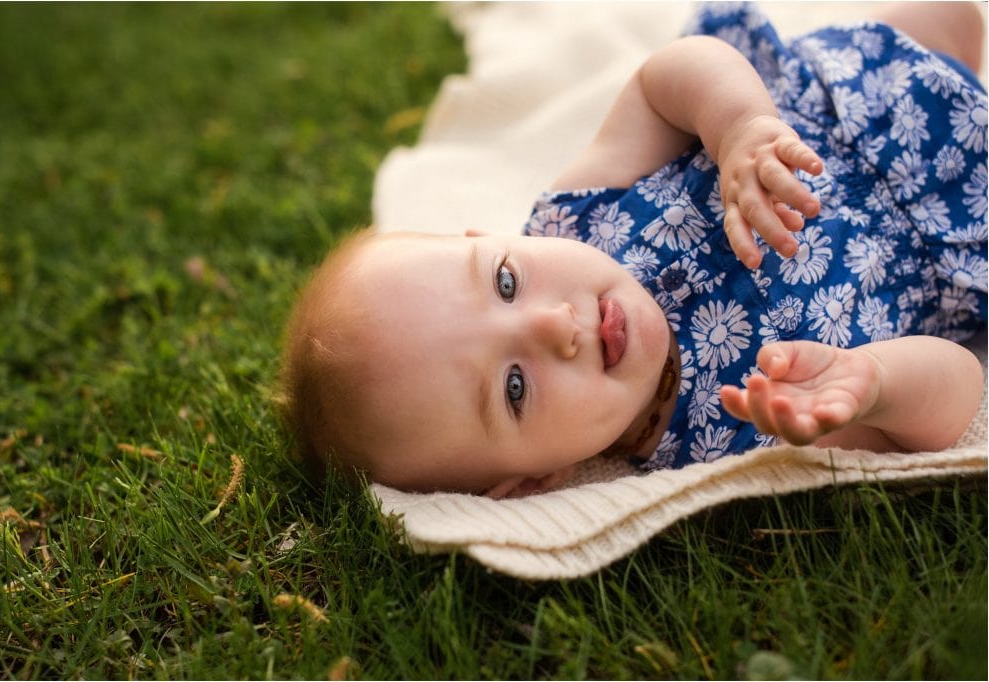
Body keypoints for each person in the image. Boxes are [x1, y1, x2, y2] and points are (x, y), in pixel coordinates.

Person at [280, 2, 987, 499]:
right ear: (535, 481)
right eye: (515, 388)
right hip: (958, 238)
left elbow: (665, 80)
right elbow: (956, 403)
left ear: (492, 240)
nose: (554, 325)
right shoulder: (733, 434)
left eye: (504, 283)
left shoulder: (574, 216)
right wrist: (873, 383)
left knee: (952, 17)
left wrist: (738, 124)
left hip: (844, 107)